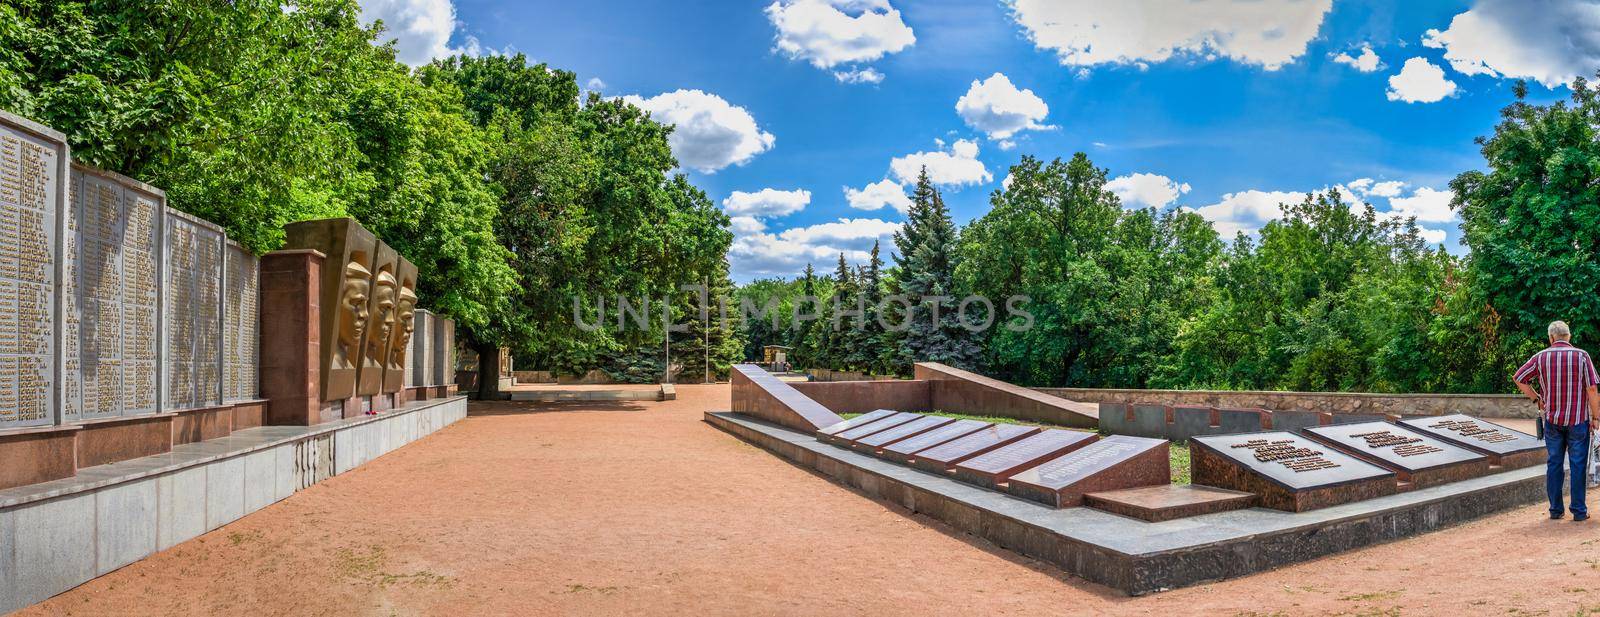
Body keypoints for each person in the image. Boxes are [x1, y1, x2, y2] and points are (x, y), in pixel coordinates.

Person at [1513, 321, 1600, 521]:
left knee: (1554, 463)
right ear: (1568, 336)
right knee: (1578, 465)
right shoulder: (1582, 356)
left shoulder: (1540, 357)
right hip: (1577, 420)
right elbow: (1592, 389)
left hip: (1552, 421)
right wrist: (1595, 417)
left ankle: (1555, 509)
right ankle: (1578, 511)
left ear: (1551, 337)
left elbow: (1519, 377)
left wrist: (1537, 398)